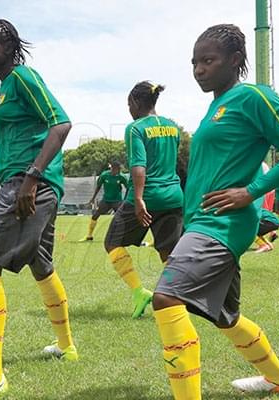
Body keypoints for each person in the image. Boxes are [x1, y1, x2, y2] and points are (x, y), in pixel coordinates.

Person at [151, 24, 279, 399]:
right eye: (194, 62)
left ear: (234, 60)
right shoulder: (217, 105)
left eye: (208, 60)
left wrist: (252, 191)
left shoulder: (252, 97)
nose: (199, 69)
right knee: (224, 316)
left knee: (166, 297)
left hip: (223, 224)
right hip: (203, 223)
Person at [0, 19, 75, 400]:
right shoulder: (7, 88)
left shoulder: (22, 77)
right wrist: (1, 174)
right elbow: (24, 135)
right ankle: (66, 346)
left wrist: (31, 177)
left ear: (7, 46)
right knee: (42, 265)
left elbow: (61, 124)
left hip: (29, 185)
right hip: (19, 180)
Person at [104, 81, 183, 319]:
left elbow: (139, 165)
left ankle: (140, 293)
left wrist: (138, 199)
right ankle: (175, 303)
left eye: (129, 104)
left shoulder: (135, 128)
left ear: (137, 103)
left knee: (112, 242)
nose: (129, 109)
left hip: (147, 197)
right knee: (168, 253)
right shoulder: (173, 127)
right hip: (173, 197)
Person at [81, 161, 128, 241]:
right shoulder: (104, 175)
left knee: (121, 219)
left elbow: (128, 188)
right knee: (95, 216)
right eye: (118, 169)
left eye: (120, 169)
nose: (119, 170)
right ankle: (89, 236)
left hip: (117, 201)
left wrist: (125, 200)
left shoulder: (122, 177)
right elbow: (98, 187)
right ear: (113, 168)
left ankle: (124, 237)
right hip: (106, 200)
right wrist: (93, 198)